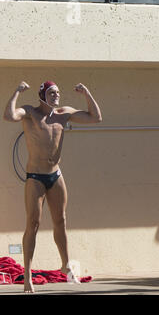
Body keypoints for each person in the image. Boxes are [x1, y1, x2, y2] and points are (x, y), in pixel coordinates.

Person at [3, 81, 102, 293]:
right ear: (42, 96)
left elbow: (96, 117)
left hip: (55, 175)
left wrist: (87, 92)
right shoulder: (30, 112)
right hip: (35, 177)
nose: (56, 95)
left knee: (61, 220)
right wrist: (17, 92)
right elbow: (9, 116)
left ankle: (65, 265)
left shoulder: (63, 113)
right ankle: (28, 274)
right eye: (52, 92)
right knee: (33, 223)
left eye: (58, 92)